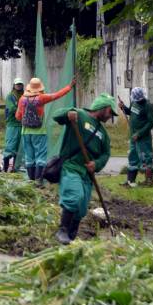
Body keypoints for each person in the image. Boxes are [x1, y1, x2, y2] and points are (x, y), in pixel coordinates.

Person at [52, 94, 118, 244]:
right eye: (110, 112)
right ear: (103, 108)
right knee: (74, 197)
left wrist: (96, 164)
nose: (110, 117)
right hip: (72, 167)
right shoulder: (79, 115)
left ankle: (71, 236)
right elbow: (56, 115)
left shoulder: (104, 134)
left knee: (81, 209)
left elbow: (106, 154)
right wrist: (67, 114)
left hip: (87, 176)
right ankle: (62, 229)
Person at [15, 77, 74, 186]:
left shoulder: (22, 99)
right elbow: (56, 95)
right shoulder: (41, 98)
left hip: (25, 132)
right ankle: (38, 181)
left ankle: (31, 181)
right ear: (39, 88)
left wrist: (26, 117)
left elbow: (18, 117)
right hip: (39, 132)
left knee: (29, 156)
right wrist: (69, 87)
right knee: (40, 156)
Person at [119, 87, 153, 187]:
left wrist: (139, 134)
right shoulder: (134, 102)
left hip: (143, 138)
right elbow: (130, 112)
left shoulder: (147, 106)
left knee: (146, 158)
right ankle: (131, 182)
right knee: (133, 157)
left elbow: (151, 122)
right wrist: (123, 107)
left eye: (140, 99)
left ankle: (149, 181)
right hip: (133, 136)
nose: (139, 101)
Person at [2, 78, 25, 172]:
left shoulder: (25, 95)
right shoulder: (10, 96)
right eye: (17, 84)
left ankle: (15, 168)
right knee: (10, 145)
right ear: (14, 85)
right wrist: (23, 110)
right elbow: (11, 108)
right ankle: (5, 167)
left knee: (19, 147)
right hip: (12, 124)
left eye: (20, 84)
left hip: (22, 125)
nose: (19, 86)